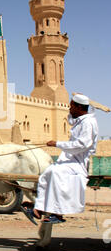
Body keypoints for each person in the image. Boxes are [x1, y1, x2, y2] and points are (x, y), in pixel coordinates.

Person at [22, 93, 99, 224]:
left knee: (57, 173)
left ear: (79, 107)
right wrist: (71, 109)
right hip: (71, 160)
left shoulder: (88, 123)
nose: (69, 109)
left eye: (71, 106)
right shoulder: (80, 120)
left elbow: (82, 145)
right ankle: (39, 209)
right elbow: (69, 119)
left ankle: (58, 214)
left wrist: (57, 144)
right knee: (47, 173)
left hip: (79, 162)